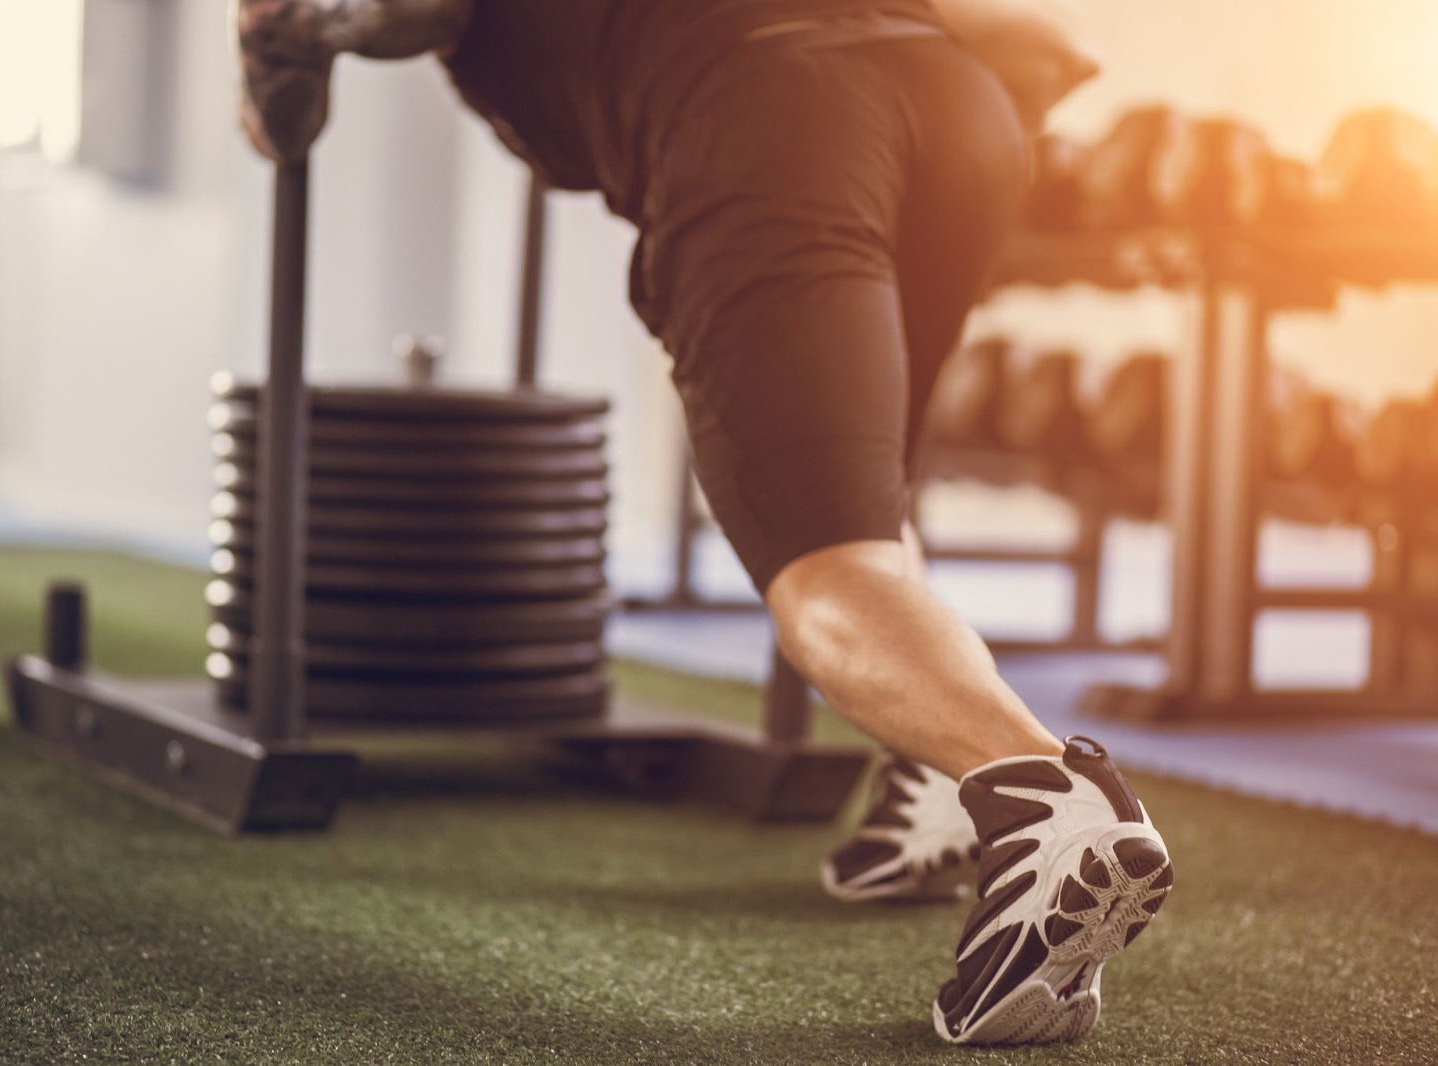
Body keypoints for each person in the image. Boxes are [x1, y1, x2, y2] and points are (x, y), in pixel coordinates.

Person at [235, 0, 1174, 1045]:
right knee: (867, 512)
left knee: (824, 572)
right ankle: (944, 778)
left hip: (768, 120)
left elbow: (321, 50)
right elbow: (1054, 49)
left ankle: (1048, 803)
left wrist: (270, 47)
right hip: (958, 115)